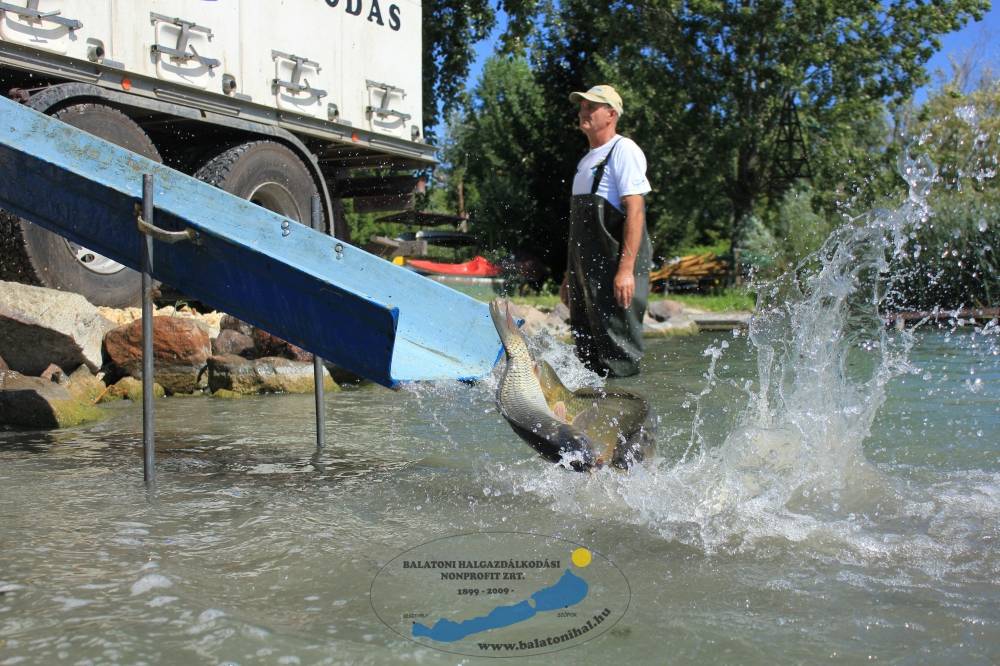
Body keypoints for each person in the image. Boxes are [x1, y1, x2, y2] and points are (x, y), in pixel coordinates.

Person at [560, 84, 652, 378]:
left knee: (619, 354)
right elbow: (578, 233)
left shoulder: (623, 150)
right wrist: (568, 276)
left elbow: (635, 211)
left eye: (591, 107)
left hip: (613, 274)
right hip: (585, 276)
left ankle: (630, 414)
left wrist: (626, 270)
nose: (582, 111)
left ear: (611, 114)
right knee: (586, 354)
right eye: (582, 106)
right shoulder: (586, 162)